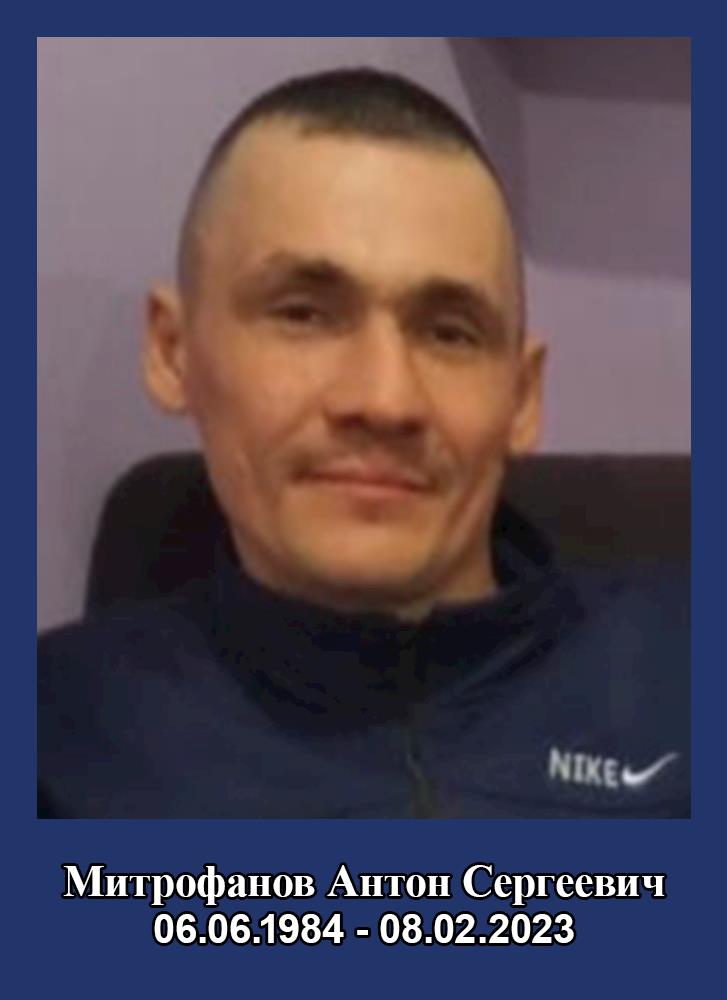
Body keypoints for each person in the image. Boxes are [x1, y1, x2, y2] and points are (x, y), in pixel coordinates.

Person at [38, 68, 689, 818]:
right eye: (303, 314)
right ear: (172, 352)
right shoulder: (53, 740)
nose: (385, 400)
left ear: (522, 396)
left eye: (450, 332)